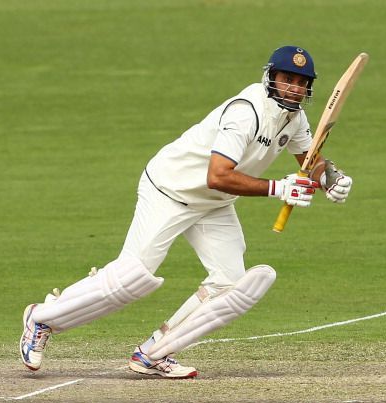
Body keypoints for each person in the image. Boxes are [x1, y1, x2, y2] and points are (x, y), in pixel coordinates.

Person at [20, 45, 353, 378]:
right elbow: (218, 175)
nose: (294, 87)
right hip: (170, 189)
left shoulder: (296, 118)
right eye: (287, 79)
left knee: (230, 286)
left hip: (213, 204)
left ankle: (154, 353)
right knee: (133, 275)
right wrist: (278, 188)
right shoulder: (246, 112)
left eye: (301, 82)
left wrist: (330, 177)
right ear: (271, 78)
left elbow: (311, 162)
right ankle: (42, 319)